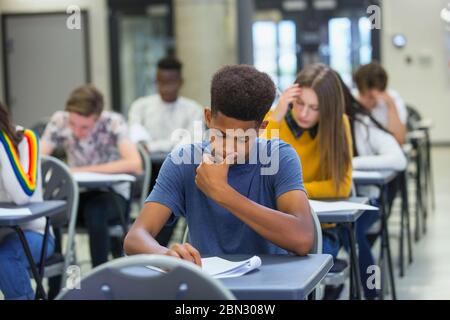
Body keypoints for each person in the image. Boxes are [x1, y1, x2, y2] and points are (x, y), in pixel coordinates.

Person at [124, 65, 314, 262]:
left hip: (273, 286)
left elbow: (302, 240)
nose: (228, 148)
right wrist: (167, 254)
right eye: (221, 135)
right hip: (209, 286)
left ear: (261, 129)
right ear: (208, 118)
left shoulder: (280, 157)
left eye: (242, 139)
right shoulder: (183, 161)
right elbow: (135, 238)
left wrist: (222, 193)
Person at [41, 84, 142, 267]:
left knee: (96, 210)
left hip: (112, 196)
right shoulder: (59, 120)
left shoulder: (112, 122)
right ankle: (55, 285)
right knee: (52, 208)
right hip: (78, 194)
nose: (77, 132)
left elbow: (135, 164)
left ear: (97, 118)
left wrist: (82, 171)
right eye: (73, 124)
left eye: (85, 127)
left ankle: (100, 275)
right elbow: (38, 160)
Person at [263, 63, 353, 260]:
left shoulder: (339, 125)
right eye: (300, 103)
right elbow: (260, 170)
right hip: (274, 229)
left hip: (321, 228)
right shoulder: (272, 121)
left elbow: (341, 186)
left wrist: (291, 192)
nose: (303, 114)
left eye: (314, 108)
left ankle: (327, 290)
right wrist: (277, 115)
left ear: (328, 109)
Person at [339, 72, 407, 299]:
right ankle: (333, 286)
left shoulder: (361, 122)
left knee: (353, 234)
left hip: (368, 199)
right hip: (332, 203)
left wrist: (352, 164)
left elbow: (399, 158)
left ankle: (371, 291)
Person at [0, 102, 54, 299]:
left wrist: (3, 143)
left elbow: (23, 196)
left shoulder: (26, 139)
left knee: (4, 257)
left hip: (34, 233)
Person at [128, 56, 203, 154]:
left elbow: (191, 142)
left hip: (180, 164)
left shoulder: (194, 109)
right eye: (161, 82)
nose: (165, 88)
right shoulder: (140, 106)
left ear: (181, 82)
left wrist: (151, 147)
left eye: (171, 83)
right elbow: (136, 139)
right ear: (156, 81)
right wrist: (172, 145)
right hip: (147, 165)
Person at [353, 61, 407, 144]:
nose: (364, 100)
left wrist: (391, 106)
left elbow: (399, 141)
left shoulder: (393, 100)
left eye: (370, 97)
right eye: (361, 93)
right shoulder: (353, 98)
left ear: (382, 92)